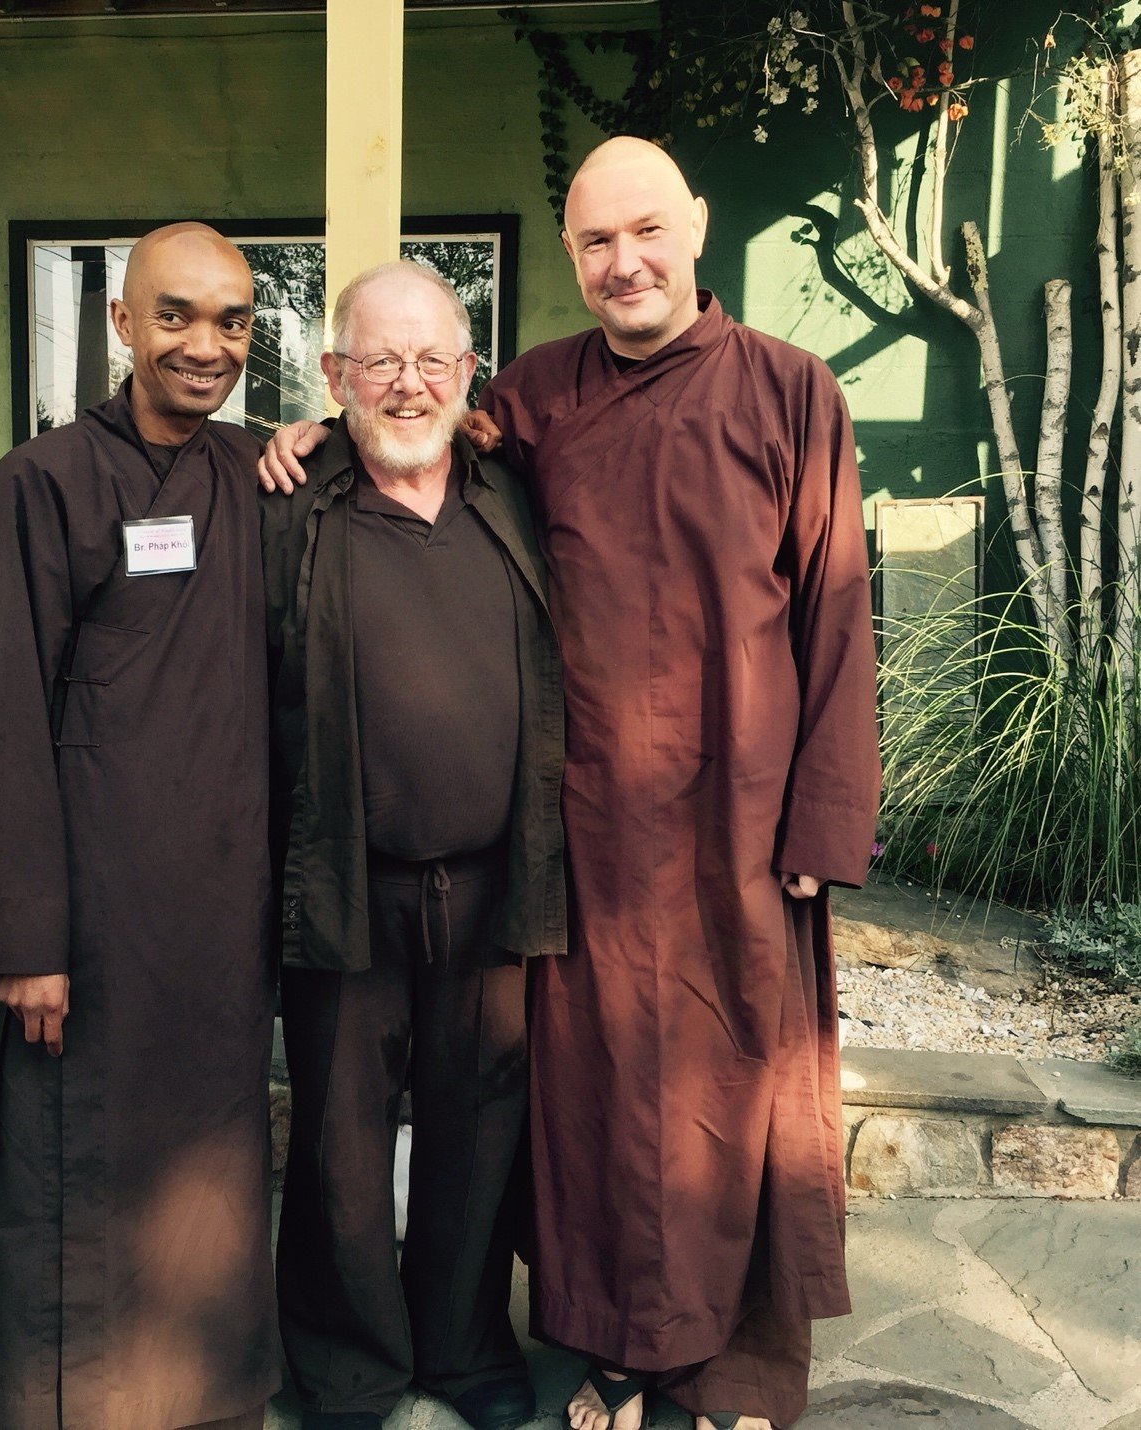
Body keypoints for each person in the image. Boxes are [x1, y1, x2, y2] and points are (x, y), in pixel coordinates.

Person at [259, 139, 882, 1430]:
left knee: (734, 1095)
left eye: (644, 230)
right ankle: (612, 1345)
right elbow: (414, 430)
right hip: (584, 824)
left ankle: (726, 1369)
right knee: (600, 1099)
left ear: (696, 226)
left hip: (741, 818)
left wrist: (823, 813)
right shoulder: (536, 394)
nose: (624, 262)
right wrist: (315, 430)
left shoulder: (790, 391)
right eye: (595, 243)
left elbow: (835, 608)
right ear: (570, 260)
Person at [0, 223, 277, 1430]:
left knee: (207, 1161)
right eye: (179, 314)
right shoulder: (41, 480)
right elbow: (2, 724)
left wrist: (460, 422)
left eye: (234, 320)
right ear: (122, 324)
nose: (207, 344)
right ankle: (72, 1403)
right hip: (89, 913)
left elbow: (386, 457)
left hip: (215, 904)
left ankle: (206, 1389)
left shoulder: (254, 475)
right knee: (75, 1158)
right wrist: (24, 936)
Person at [261, 260, 567, 1430]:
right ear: (332, 376)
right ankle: (347, 1362)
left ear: (466, 369)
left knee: (480, 1121)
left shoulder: (512, 489)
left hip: (496, 880)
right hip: (344, 881)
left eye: (430, 358)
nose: (406, 383)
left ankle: (464, 1342)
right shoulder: (285, 499)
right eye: (377, 361)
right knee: (339, 1136)